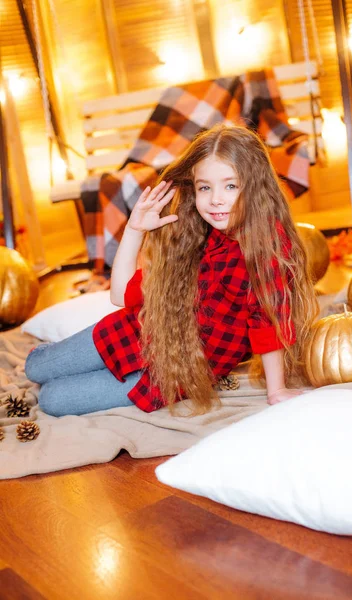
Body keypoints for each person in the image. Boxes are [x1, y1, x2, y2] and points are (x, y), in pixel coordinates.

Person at [25, 124, 318, 417]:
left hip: (174, 371)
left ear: (256, 186)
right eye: (205, 187)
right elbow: (120, 296)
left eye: (231, 185)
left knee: (52, 399)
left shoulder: (268, 246)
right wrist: (134, 229)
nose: (216, 199)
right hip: (136, 332)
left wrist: (276, 390)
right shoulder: (196, 233)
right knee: (35, 367)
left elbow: (267, 321)